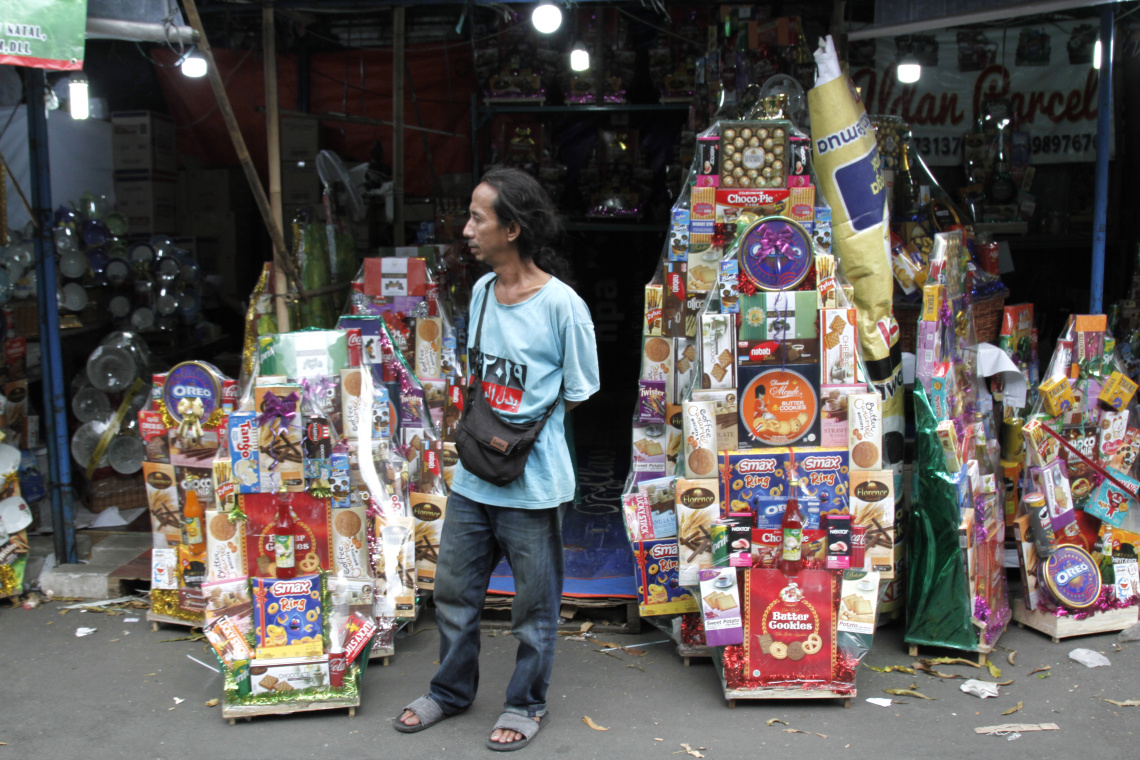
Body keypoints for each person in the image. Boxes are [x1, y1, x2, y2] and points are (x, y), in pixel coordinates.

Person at [394, 168, 600, 751]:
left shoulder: (564, 307)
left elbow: (580, 390)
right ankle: (450, 692)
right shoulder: (482, 293)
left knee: (534, 609)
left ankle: (525, 702)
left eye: (478, 219)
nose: (466, 230)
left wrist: (523, 435)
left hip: (533, 484)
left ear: (512, 229)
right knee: (456, 595)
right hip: (473, 478)